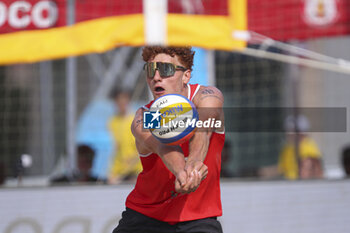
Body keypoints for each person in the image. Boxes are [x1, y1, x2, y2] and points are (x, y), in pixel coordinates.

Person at [113, 46, 225, 233]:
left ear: (186, 76)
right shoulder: (144, 116)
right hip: (145, 216)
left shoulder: (206, 97)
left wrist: (194, 163)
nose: (156, 77)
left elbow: (203, 130)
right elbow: (162, 146)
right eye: (150, 70)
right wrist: (183, 172)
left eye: (165, 70)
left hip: (198, 218)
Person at [108, 89, 142, 184]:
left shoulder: (135, 120)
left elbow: (141, 148)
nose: (122, 104)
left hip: (136, 170)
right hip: (119, 171)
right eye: (119, 102)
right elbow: (115, 148)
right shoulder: (113, 122)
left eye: (124, 101)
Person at [278, 115, 323, 180]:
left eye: (292, 131)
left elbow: (314, 175)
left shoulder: (309, 148)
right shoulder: (287, 148)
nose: (289, 133)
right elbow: (282, 169)